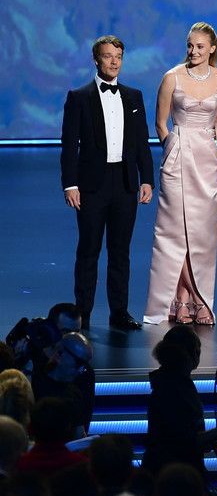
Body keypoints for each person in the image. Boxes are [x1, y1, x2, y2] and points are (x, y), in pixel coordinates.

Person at [60, 35, 154, 331]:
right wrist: (70, 184)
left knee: (120, 252)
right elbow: (69, 145)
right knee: (88, 250)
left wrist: (147, 179)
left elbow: (142, 142)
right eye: (108, 56)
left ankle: (119, 312)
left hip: (125, 183)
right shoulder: (79, 97)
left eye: (118, 56)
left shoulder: (134, 96)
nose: (114, 62)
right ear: (96, 59)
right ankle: (83, 315)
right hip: (91, 185)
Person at [144, 22, 217, 325]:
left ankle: (195, 298)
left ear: (212, 48)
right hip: (177, 156)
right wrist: (173, 147)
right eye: (190, 45)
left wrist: (205, 143)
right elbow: (160, 123)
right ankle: (184, 298)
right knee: (175, 231)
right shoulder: (172, 77)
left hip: (207, 160)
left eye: (200, 46)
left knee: (203, 234)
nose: (194, 51)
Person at [141, 326, 217, 477]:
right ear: (192, 353)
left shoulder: (168, 381)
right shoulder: (175, 390)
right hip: (176, 477)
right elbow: (188, 442)